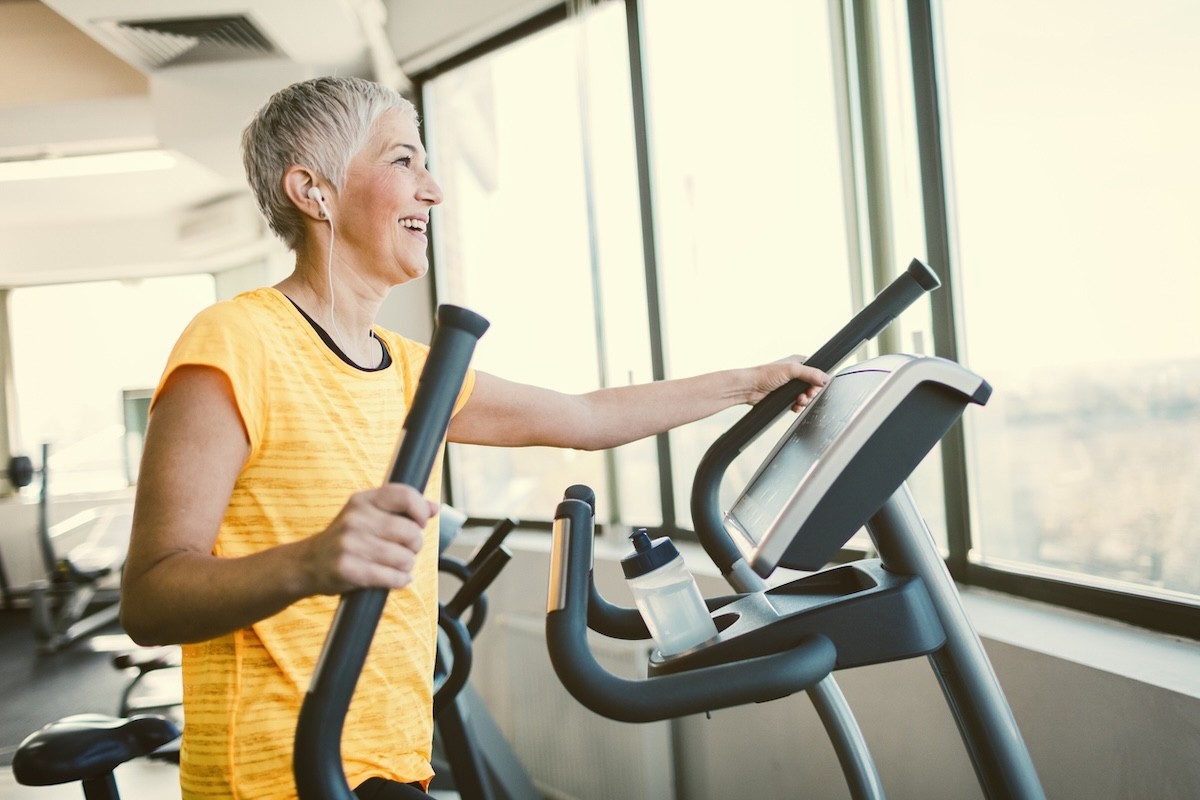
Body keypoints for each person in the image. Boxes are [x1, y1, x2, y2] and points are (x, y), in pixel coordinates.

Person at [120, 75, 828, 800]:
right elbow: (149, 600)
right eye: (403, 161)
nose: (433, 189)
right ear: (313, 191)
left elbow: (585, 419)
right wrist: (310, 562)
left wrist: (750, 384)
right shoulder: (236, 341)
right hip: (275, 776)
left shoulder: (407, 372)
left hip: (391, 763)